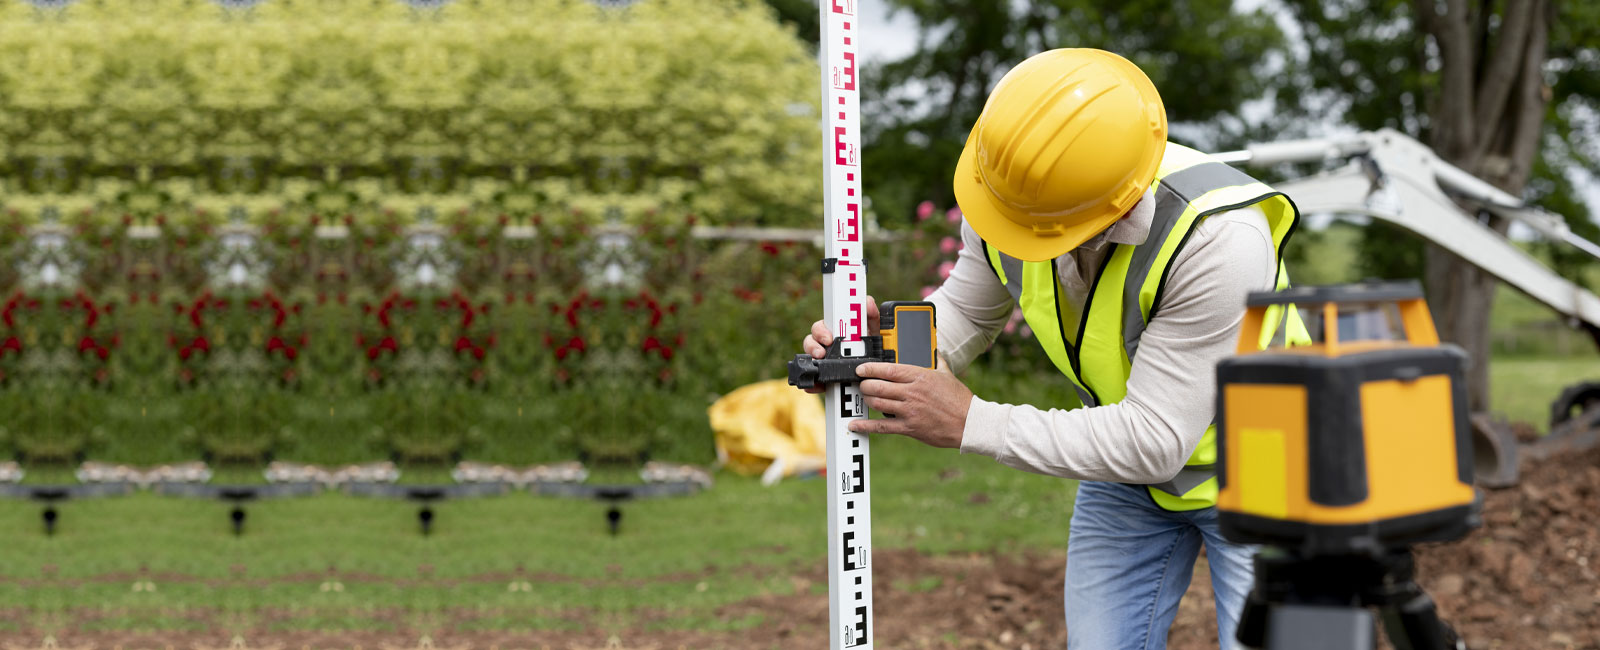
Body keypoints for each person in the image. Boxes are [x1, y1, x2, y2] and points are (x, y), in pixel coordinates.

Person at [801, 48, 1301, 649]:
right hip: (1127, 478)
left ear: (1106, 213)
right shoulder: (1012, 191)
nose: (1007, 227)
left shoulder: (1220, 241)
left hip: (1268, 474)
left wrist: (971, 421)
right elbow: (967, 310)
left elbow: (1156, 441)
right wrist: (877, 351)